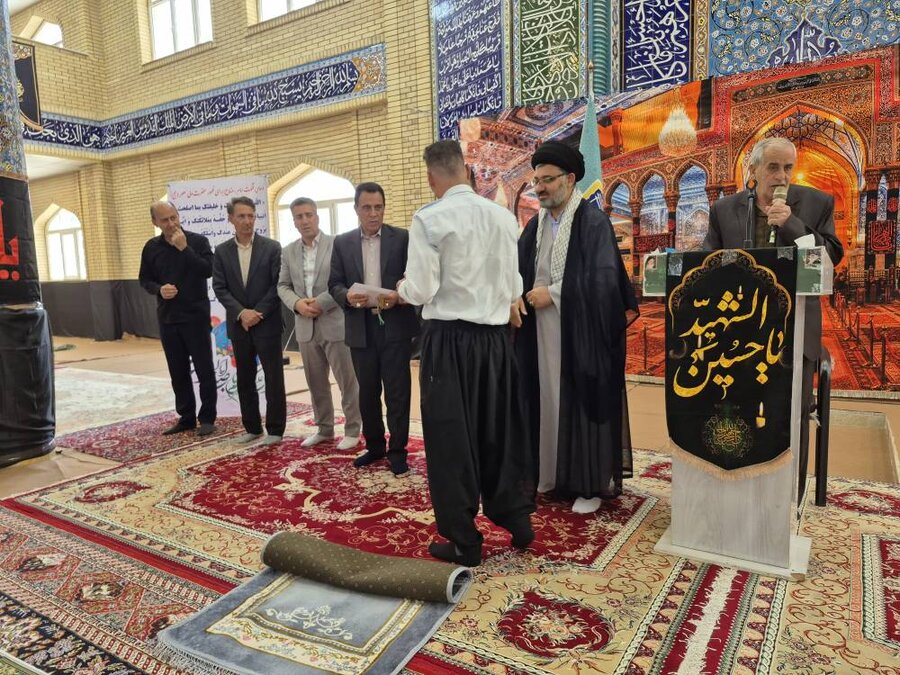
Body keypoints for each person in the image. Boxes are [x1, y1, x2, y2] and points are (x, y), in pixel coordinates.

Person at [398, 140, 535, 566]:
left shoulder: (429, 218)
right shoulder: (501, 217)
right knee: (499, 431)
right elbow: (514, 286)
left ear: (430, 177)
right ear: (467, 171)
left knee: (452, 441)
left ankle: (464, 541)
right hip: (495, 342)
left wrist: (400, 289)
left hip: (449, 342)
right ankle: (517, 520)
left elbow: (421, 289)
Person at [703, 136, 844, 480]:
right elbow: (706, 262)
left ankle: (790, 487)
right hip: (738, 335)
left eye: (788, 168)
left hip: (795, 331)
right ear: (753, 170)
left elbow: (830, 256)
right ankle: (740, 479)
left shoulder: (816, 203)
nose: (782, 176)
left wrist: (792, 225)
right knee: (738, 411)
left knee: (791, 416)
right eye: (773, 167)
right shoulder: (725, 209)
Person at [516, 141, 639, 514]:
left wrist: (554, 293)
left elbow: (604, 281)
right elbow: (517, 271)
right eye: (536, 181)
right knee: (545, 401)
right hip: (539, 334)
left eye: (547, 180)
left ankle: (589, 483)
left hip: (582, 333)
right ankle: (549, 475)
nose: (540, 188)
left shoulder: (592, 222)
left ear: (570, 180)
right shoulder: (535, 226)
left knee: (582, 403)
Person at [328, 182, 419, 476]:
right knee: (367, 392)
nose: (373, 213)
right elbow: (334, 284)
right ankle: (376, 446)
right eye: (367, 208)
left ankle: (398, 451)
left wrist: (399, 294)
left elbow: (413, 277)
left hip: (394, 325)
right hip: (360, 326)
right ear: (356, 209)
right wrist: (346, 296)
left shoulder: (402, 238)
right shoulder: (342, 243)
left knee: (397, 392)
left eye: (378, 207)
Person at [277, 197, 361, 451]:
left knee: (347, 381)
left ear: (317, 216)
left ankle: (352, 430)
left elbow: (345, 280)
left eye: (309, 215)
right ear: (294, 221)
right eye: (299, 216)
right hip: (305, 325)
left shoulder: (337, 244)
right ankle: (324, 429)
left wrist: (321, 302)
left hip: (334, 322)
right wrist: (298, 304)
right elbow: (283, 285)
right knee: (316, 383)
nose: (305, 220)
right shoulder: (288, 251)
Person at [139, 202, 217, 437]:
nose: (171, 223)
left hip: (196, 317)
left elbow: (208, 270)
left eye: (174, 217)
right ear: (155, 222)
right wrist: (159, 289)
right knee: (178, 371)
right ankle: (186, 418)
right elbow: (144, 280)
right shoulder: (151, 247)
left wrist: (184, 249)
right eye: (165, 220)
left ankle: (207, 418)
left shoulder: (198, 242)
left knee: (204, 369)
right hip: (168, 318)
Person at [212, 196, 286, 445]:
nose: (247, 221)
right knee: (244, 378)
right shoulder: (222, 251)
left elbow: (277, 285)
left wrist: (257, 313)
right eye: (241, 216)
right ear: (231, 219)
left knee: (274, 378)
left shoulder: (272, 247)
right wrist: (242, 313)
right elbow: (220, 288)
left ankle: (275, 430)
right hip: (239, 325)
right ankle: (252, 427)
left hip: (267, 323)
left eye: (251, 216)